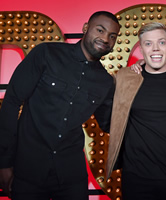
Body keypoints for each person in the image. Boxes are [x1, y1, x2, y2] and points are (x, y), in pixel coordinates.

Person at [0, 11, 120, 200]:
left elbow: (110, 124)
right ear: (85, 28)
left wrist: (137, 83)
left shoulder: (105, 82)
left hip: (71, 176)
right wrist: (4, 163)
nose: (105, 38)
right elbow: (12, 102)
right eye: (100, 30)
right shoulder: (46, 53)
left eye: (112, 36)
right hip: (28, 170)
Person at [106, 22, 166, 200]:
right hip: (136, 179)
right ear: (141, 49)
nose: (155, 49)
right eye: (148, 44)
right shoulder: (124, 78)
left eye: (161, 42)